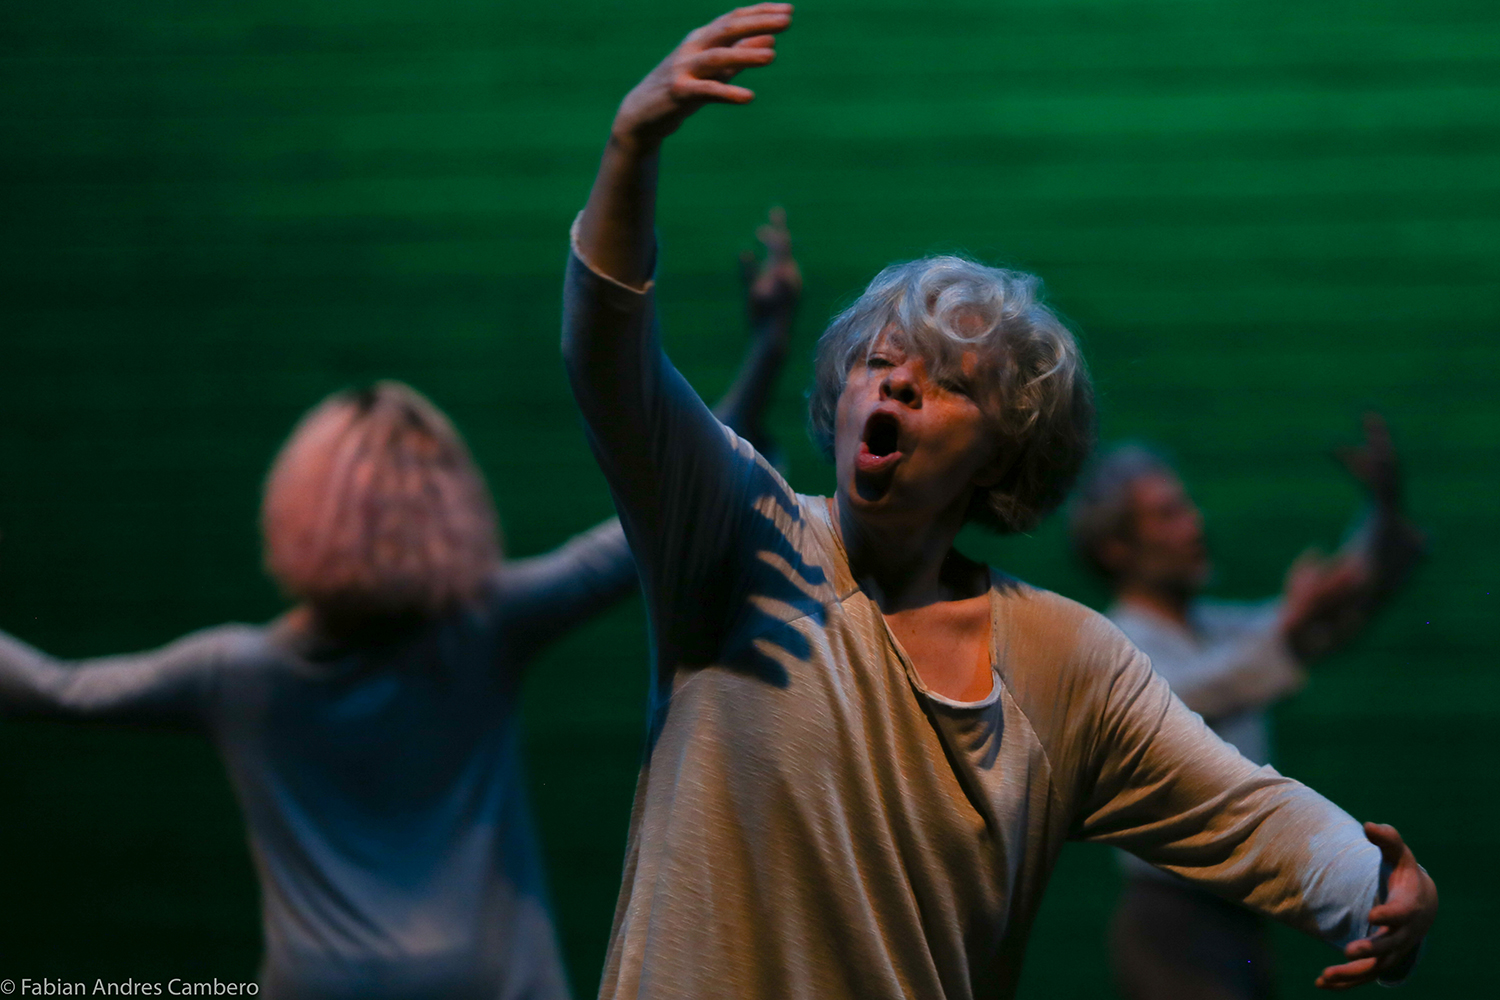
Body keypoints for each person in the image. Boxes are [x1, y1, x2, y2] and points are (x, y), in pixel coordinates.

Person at [561, 6, 1436, 998]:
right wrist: (630, 150)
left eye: (947, 381)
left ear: (1002, 451)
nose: (896, 383)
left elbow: (1243, 809)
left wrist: (1376, 888)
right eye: (877, 362)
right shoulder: (736, 534)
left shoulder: (1065, 662)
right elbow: (609, 363)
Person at [0, 219, 799, 1000]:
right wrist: (765, 351)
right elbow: (654, 514)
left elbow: (56, 687)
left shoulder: (235, 673)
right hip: (486, 975)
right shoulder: (487, 626)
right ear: (447, 511)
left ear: (297, 511)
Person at [1068, 423, 1425, 1000]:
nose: (1194, 525)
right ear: (1116, 547)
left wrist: (1382, 513)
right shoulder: (1110, 644)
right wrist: (1290, 625)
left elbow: (1324, 614)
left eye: (1187, 507)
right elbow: (1187, 690)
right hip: (1170, 922)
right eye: (1167, 514)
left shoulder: (1215, 629)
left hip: (1239, 919)